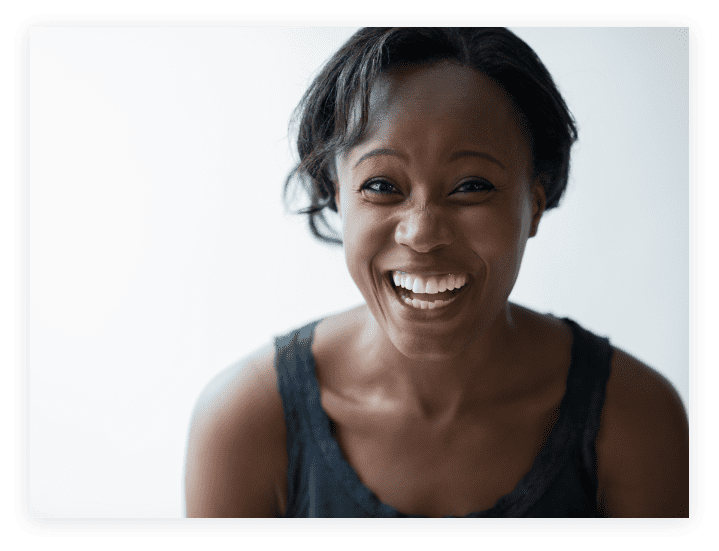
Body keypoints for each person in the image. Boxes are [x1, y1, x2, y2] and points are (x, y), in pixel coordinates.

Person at [184, 27, 689, 518]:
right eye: (381, 186)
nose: (422, 233)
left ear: (534, 204)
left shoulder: (633, 419)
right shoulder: (247, 422)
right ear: (337, 196)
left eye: (472, 186)